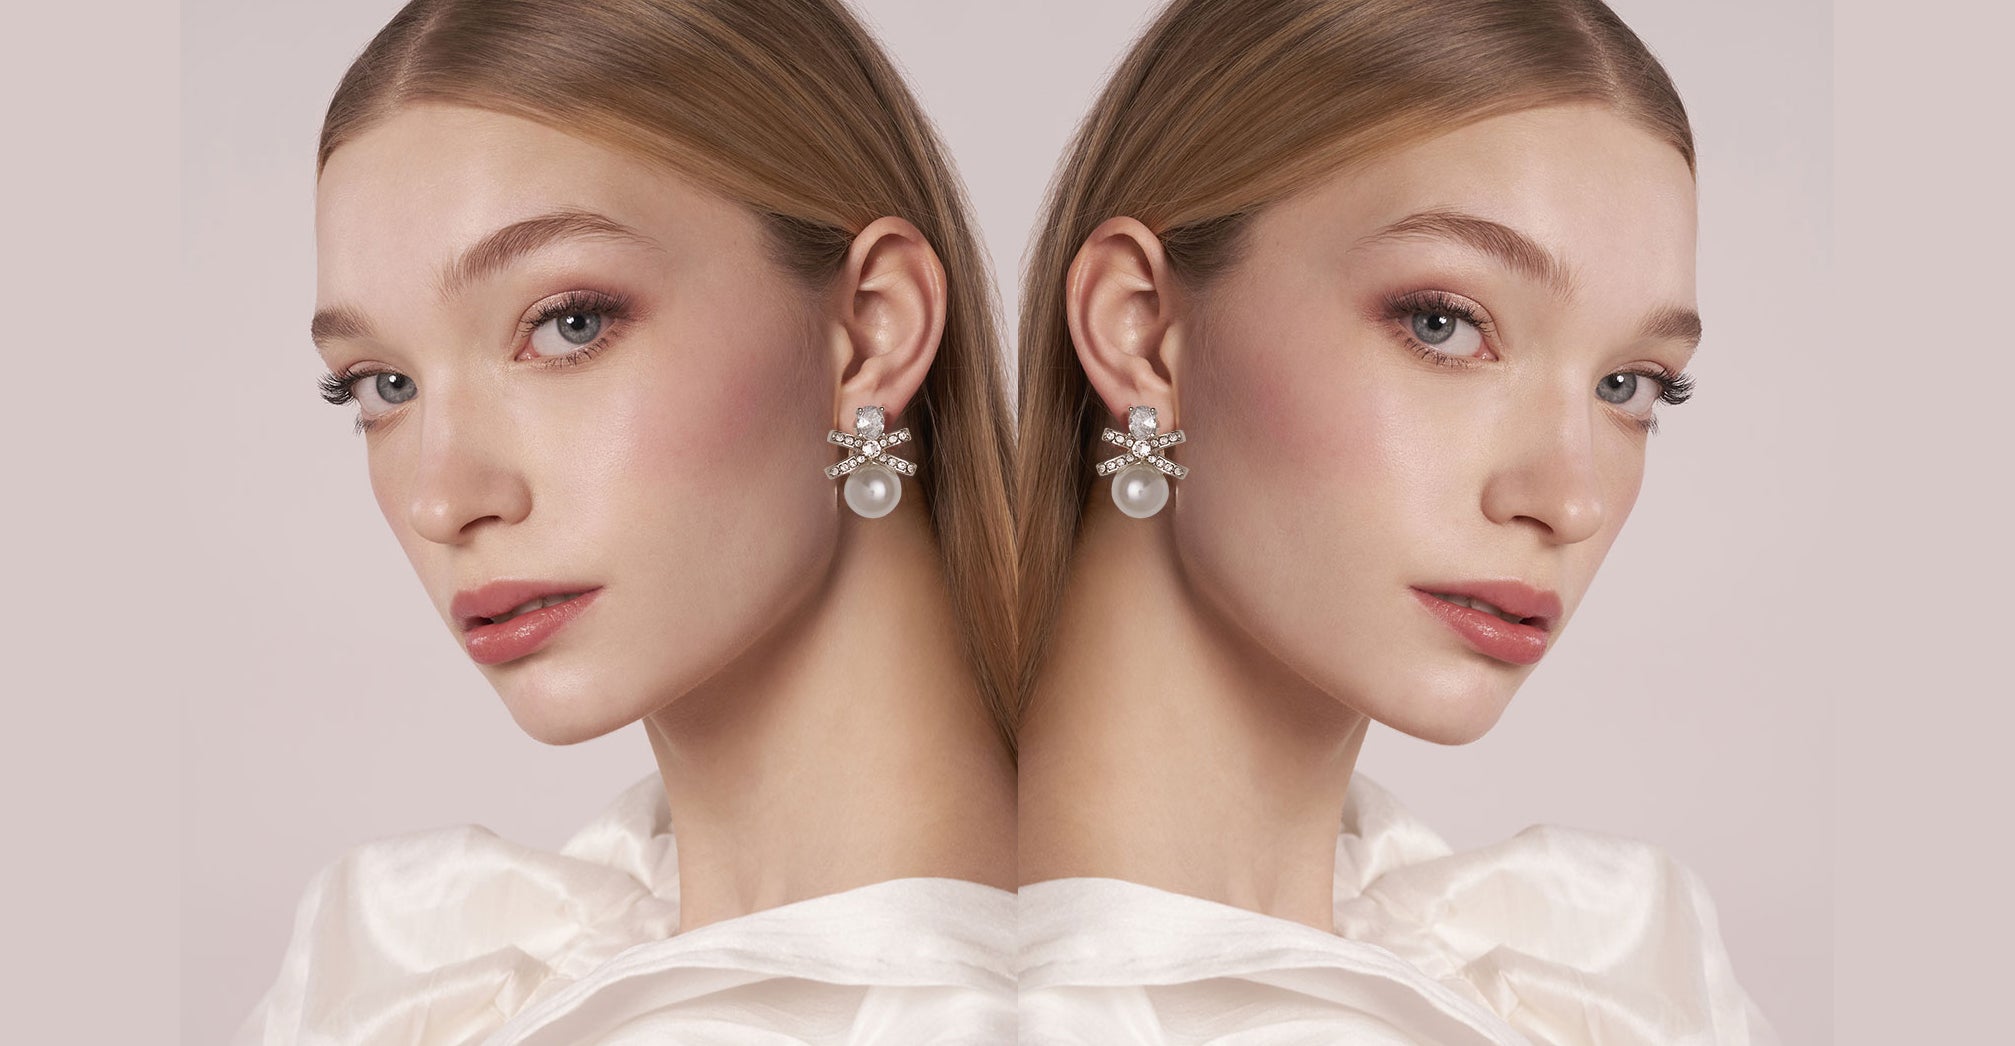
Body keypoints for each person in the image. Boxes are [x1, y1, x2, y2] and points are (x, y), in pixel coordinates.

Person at [234, 0, 1017, 1041]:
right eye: (380, 384)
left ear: (872, 331)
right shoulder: (408, 978)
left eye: (567, 323)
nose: (442, 496)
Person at [1012, 0, 1780, 1041]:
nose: (1567, 497)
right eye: (1444, 324)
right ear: (1139, 331)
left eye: (1630, 385)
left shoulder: (1601, 981)